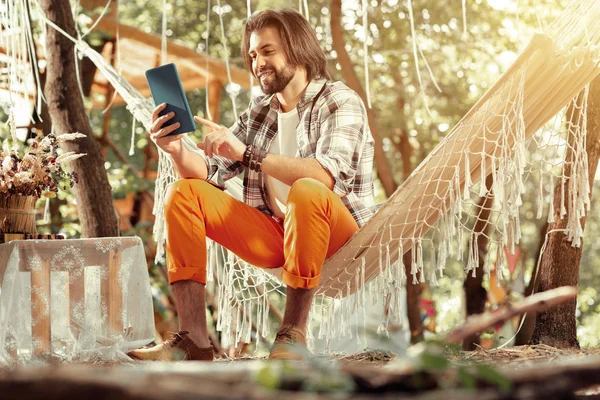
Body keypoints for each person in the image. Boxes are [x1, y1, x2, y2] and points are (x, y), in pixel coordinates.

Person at [128, 8, 374, 362]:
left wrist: (249, 155)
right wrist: (176, 149)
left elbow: (324, 175)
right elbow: (207, 171)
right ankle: (193, 341)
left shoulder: (338, 100)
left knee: (306, 189)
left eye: (268, 51)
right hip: (279, 235)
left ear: (298, 48)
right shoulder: (260, 112)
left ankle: (292, 337)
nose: (258, 63)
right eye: (254, 54)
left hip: (337, 234)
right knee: (183, 193)